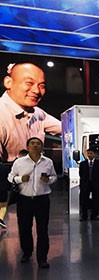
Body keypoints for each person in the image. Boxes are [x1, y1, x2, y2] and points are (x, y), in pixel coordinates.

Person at [0, 62, 61, 236]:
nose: (36, 90)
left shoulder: (37, 113)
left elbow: (66, 128)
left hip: (34, 191)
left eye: (41, 85)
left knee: (39, 230)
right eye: (29, 83)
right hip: (10, 192)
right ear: (8, 82)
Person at [8, 137, 57, 268]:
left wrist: (48, 180)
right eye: (32, 143)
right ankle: (27, 252)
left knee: (42, 229)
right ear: (28, 147)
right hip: (24, 199)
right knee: (24, 228)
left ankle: (42, 258)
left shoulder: (48, 162)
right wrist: (20, 179)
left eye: (38, 144)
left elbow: (54, 176)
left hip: (42, 199)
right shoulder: (19, 162)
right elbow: (10, 177)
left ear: (42, 147)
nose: (35, 146)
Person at [79, 149, 99, 221]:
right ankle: (84, 216)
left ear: (94, 154)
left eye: (91, 153)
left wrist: (97, 179)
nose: (89, 155)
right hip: (85, 185)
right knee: (84, 201)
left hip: (95, 184)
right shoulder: (83, 164)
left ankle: (94, 215)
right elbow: (81, 174)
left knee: (95, 200)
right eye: (88, 153)